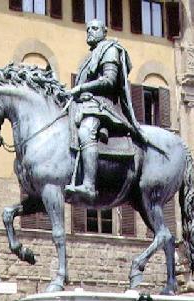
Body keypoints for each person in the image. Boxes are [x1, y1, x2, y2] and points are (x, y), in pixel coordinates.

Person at [65, 19, 148, 201]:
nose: (90, 32)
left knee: (86, 131)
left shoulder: (110, 50)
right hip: (86, 104)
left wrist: (81, 89)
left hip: (103, 106)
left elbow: (109, 80)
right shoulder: (90, 57)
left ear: (104, 31)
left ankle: (88, 184)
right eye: (88, 29)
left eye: (95, 28)